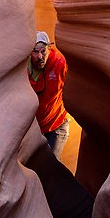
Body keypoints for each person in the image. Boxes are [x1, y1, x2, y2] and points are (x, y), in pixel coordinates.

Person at [27, 31, 71, 161]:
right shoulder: (25, 67)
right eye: (35, 52)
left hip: (57, 123)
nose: (40, 56)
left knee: (50, 165)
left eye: (43, 51)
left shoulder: (59, 63)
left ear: (49, 48)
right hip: (36, 128)